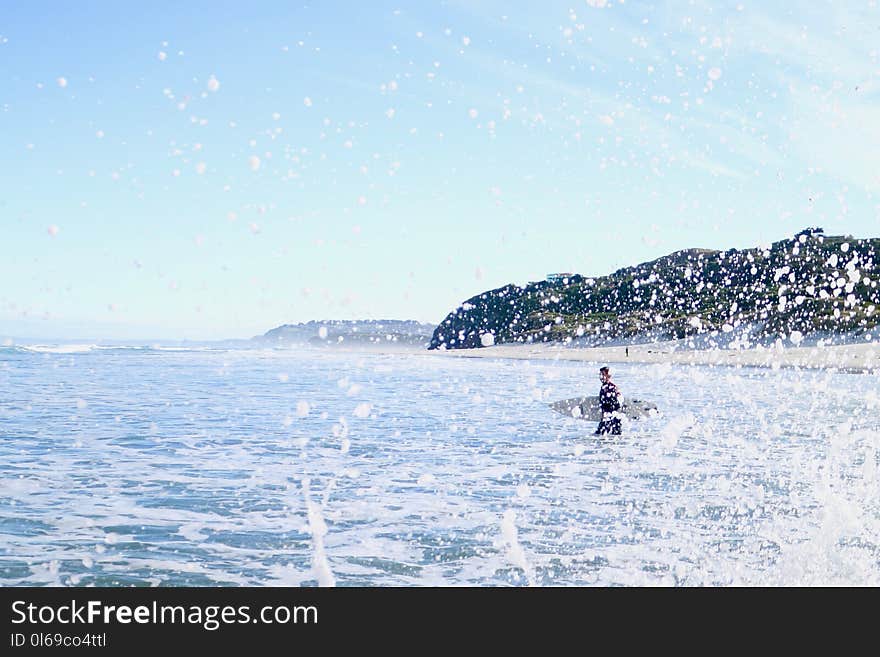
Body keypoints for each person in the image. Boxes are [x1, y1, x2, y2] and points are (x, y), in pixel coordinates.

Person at [594, 366, 622, 435]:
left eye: (603, 375)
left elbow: (617, 402)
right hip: (607, 417)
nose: (600, 377)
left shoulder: (612, 387)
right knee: (600, 434)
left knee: (604, 434)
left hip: (612, 417)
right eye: (600, 375)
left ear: (608, 376)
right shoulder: (604, 387)